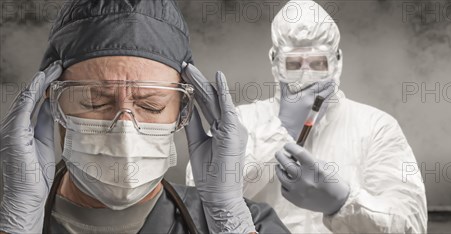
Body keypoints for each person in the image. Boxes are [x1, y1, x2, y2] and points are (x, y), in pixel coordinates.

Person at [0, 0, 289, 233]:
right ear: (51, 101)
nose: (125, 131)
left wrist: (229, 220)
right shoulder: (10, 219)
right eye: (95, 101)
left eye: (151, 106)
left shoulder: (253, 223)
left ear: (183, 111)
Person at [187, 0, 428, 233]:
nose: (306, 75)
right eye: (293, 64)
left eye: (317, 63)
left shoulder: (375, 128)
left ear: (337, 61)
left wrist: (343, 203)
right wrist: (281, 129)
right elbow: (201, 204)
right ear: (275, 61)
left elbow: (410, 224)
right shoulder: (239, 122)